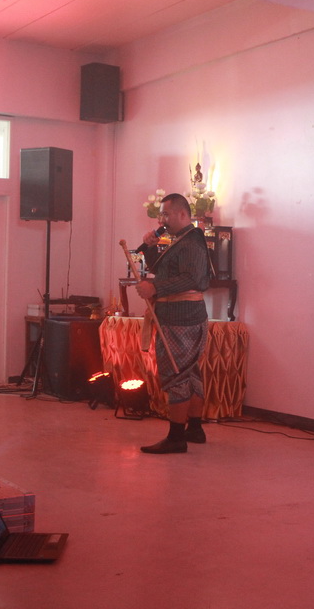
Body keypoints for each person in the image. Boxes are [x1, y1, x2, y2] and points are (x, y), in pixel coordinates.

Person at [135, 193, 211, 454]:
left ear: (182, 214)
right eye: (162, 215)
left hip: (182, 318)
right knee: (189, 373)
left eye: (166, 214)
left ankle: (176, 437)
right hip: (179, 315)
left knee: (177, 373)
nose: (163, 220)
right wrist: (150, 247)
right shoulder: (180, 241)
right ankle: (195, 429)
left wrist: (154, 287)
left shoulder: (191, 241)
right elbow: (163, 270)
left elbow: (192, 279)